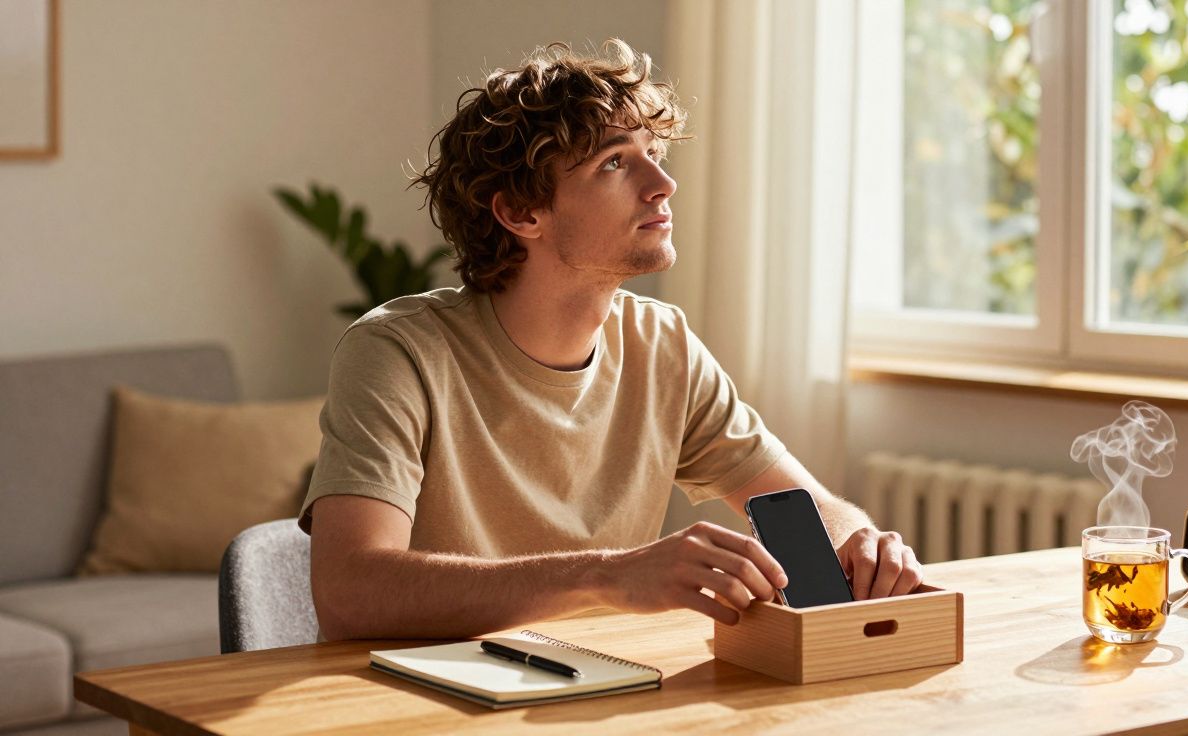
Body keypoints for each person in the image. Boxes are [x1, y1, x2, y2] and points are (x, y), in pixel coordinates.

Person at [300, 39, 922, 641]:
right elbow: (350, 593)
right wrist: (605, 575)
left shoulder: (661, 345)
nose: (662, 184)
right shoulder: (397, 353)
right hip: (422, 701)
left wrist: (857, 541)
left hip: (595, 689)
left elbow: (801, 506)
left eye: (654, 152)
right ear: (521, 214)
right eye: (615, 162)